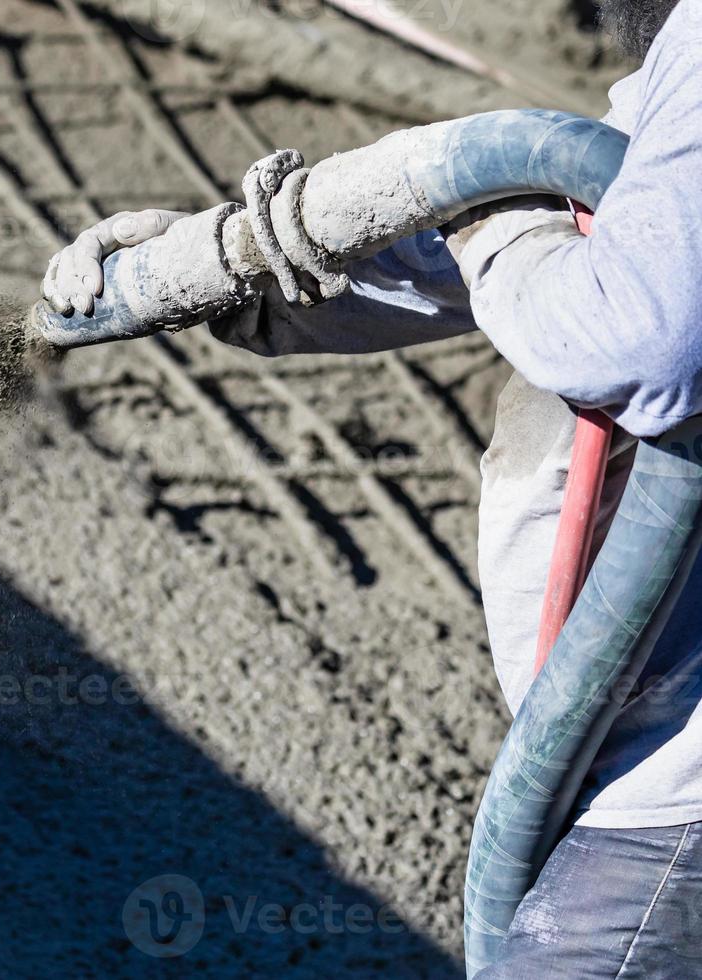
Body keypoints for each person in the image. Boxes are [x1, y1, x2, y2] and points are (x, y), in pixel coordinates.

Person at [41, 1, 702, 975]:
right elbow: (600, 214)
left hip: (673, 788)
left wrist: (495, 222)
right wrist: (244, 277)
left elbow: (636, 331)